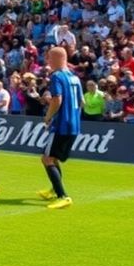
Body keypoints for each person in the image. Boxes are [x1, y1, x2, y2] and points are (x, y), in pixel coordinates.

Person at [38, 47, 83, 209]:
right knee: (53, 158)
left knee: (47, 158)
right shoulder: (74, 77)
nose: (47, 61)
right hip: (73, 123)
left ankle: (62, 195)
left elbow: (57, 100)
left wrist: (48, 117)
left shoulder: (57, 76)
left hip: (61, 124)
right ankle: (53, 189)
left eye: (49, 57)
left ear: (57, 58)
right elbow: (81, 102)